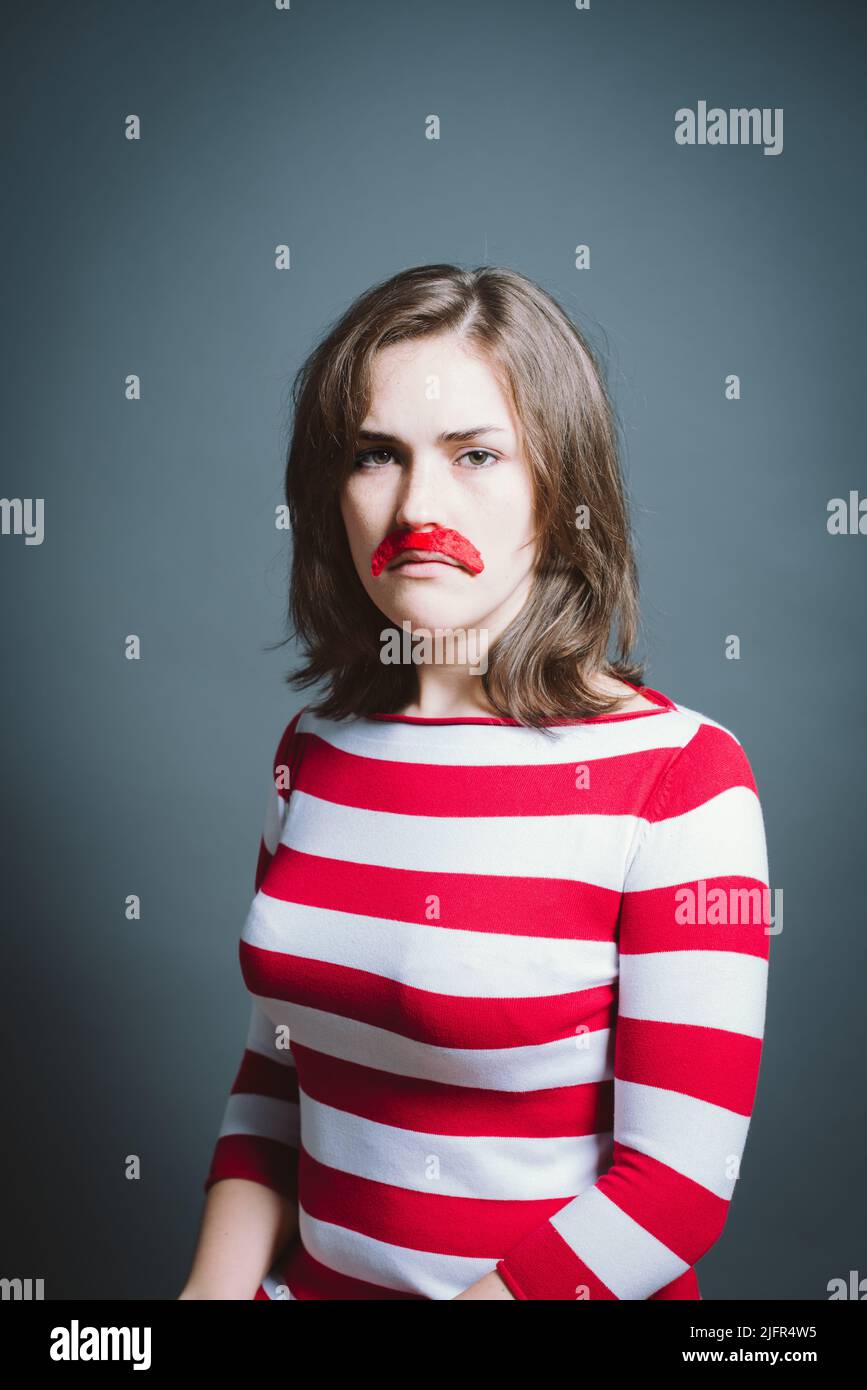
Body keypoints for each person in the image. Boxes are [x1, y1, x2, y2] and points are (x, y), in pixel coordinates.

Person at [179, 264, 771, 1300]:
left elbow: (677, 1185)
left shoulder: (681, 777)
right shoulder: (313, 750)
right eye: (376, 454)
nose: (417, 504)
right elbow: (279, 1068)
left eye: (475, 455)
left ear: (563, 484)